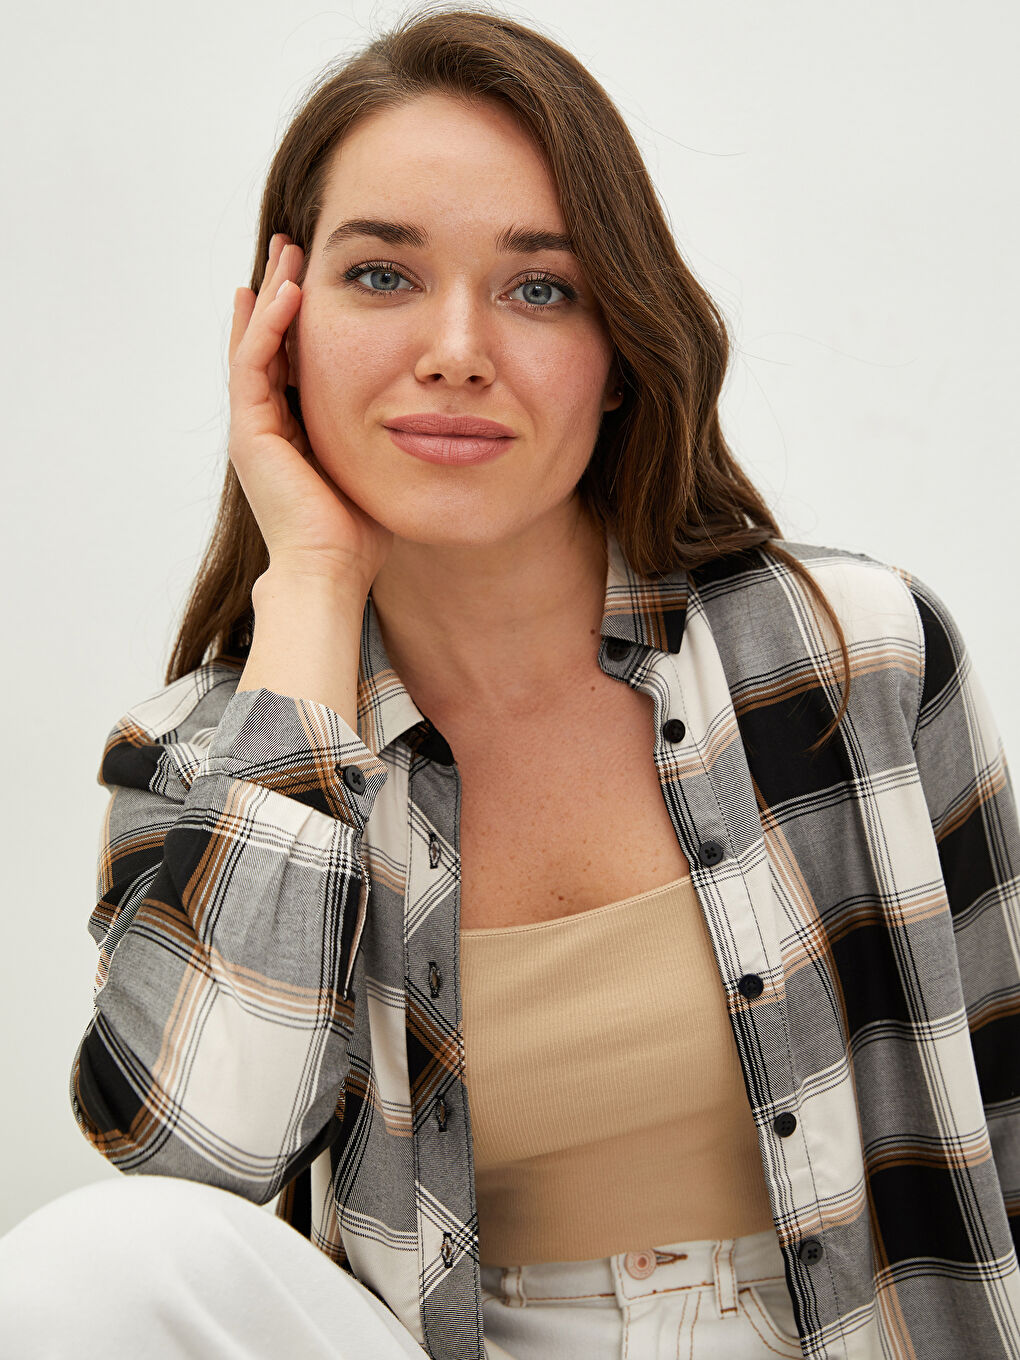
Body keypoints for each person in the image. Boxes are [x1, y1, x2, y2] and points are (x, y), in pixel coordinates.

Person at [1, 6, 1018, 1358]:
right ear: (282, 331)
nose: (457, 348)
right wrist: (312, 586)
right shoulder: (208, 756)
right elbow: (193, 1175)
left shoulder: (854, 651)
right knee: (81, 1266)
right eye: (382, 276)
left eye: (540, 289)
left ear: (619, 354)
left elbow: (1011, 1096)